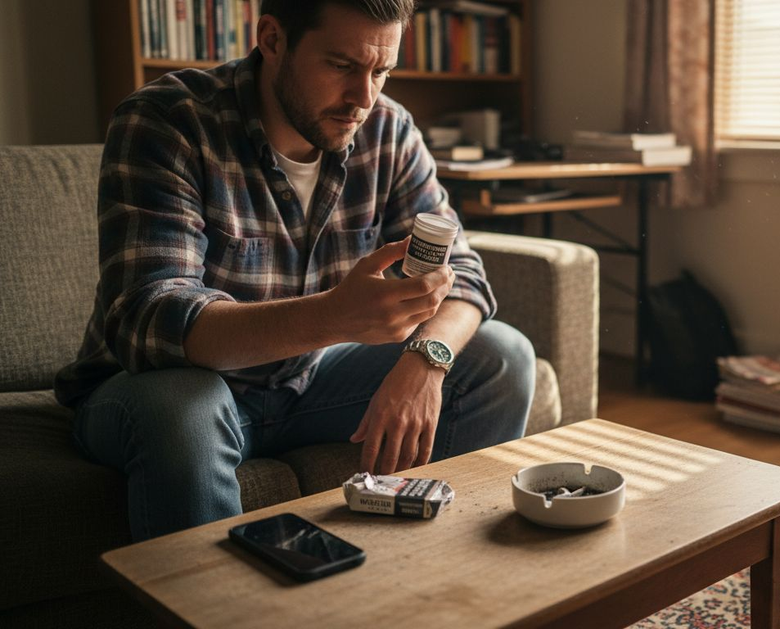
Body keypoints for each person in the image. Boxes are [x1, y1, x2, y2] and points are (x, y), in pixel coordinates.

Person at [54, 0, 535, 542]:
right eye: (341, 65)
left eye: (381, 71)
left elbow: (463, 275)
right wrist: (333, 317)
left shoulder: (389, 131)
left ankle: (422, 582)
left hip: (308, 381)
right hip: (162, 391)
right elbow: (152, 321)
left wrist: (427, 359)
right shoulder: (169, 120)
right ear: (272, 38)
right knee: (185, 409)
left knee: (503, 358)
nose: (364, 97)